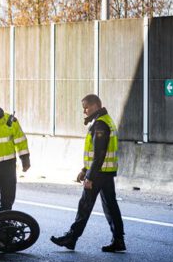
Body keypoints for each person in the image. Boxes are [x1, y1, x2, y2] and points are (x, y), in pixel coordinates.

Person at [51, 94, 126, 252]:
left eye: (87, 107)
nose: (84, 111)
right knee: (111, 206)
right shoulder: (105, 120)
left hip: (99, 173)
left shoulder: (100, 124)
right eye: (83, 108)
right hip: (105, 171)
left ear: (96, 105)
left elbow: (99, 154)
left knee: (85, 205)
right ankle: (118, 240)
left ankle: (71, 238)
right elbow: (96, 153)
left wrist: (90, 177)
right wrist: (84, 170)